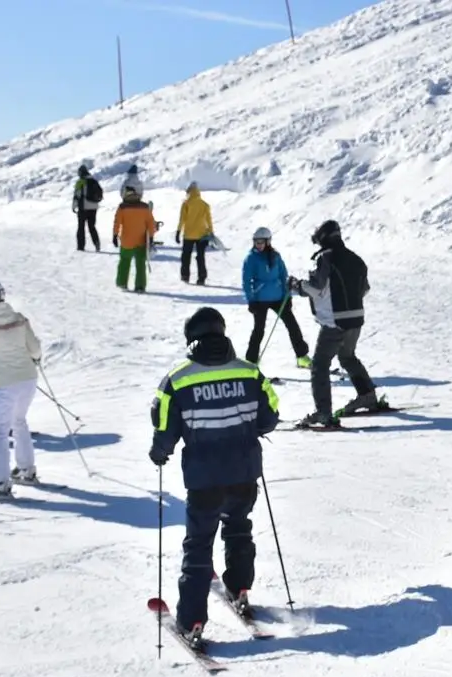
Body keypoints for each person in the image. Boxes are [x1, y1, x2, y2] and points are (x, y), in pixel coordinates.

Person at [148, 307, 279, 646]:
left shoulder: (178, 378)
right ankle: (240, 587)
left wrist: (160, 452)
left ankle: (192, 620)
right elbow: (270, 417)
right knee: (238, 528)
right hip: (245, 471)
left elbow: (164, 424)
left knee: (199, 544)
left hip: (204, 477)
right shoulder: (250, 372)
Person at [288, 220, 377, 426]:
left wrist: (296, 285)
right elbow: (365, 289)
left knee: (319, 365)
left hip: (335, 321)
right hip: (356, 318)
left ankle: (323, 413)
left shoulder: (325, 257)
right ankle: (367, 395)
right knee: (347, 356)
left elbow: (316, 288)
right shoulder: (356, 259)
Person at [0, 280, 42, 496]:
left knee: (0, 430)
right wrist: (34, 359)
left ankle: (0, 480)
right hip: (28, 379)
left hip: (5, 383)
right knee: (19, 422)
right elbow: (35, 348)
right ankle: (26, 469)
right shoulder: (19, 319)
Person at [242, 227, 311, 367]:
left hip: (278, 297)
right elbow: (246, 281)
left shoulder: (275, 256)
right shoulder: (251, 258)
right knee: (259, 330)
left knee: (292, 326)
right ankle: (251, 361)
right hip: (260, 299)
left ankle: (302, 356)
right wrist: (251, 301)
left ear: (268, 241)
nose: (258, 245)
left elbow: (283, 275)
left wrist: (288, 295)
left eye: (261, 242)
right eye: (256, 242)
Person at [112, 187, 157, 293]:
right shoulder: (144, 207)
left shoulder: (122, 207)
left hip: (127, 240)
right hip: (141, 240)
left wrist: (115, 235)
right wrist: (151, 236)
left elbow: (117, 222)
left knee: (124, 261)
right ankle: (140, 286)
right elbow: (151, 223)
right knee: (140, 264)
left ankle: (122, 282)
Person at [176, 182, 213, 285]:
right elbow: (209, 220)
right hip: (202, 235)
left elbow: (182, 220)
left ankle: (185, 276)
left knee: (186, 256)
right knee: (201, 257)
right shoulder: (205, 204)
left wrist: (178, 231)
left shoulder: (186, 204)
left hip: (188, 235)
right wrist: (211, 232)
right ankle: (201, 278)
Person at [72, 165, 102, 251]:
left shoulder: (80, 182)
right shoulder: (94, 181)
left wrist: (74, 207)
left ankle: (81, 246)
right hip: (93, 207)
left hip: (83, 207)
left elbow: (76, 195)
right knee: (92, 226)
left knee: (81, 227)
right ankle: (97, 242)